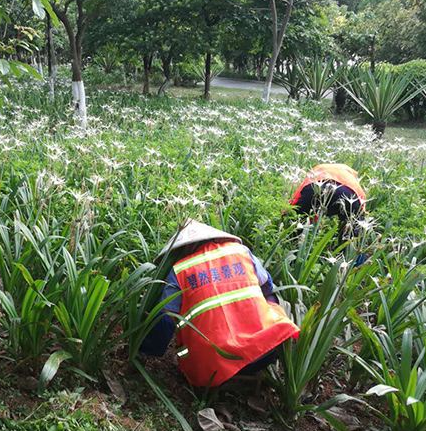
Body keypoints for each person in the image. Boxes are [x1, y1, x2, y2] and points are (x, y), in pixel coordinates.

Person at [140, 220, 299, 388]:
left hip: (212, 367)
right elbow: (268, 286)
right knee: (270, 301)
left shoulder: (180, 269)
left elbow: (166, 318)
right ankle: (273, 341)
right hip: (264, 351)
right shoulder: (241, 252)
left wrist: (147, 350)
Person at [290, 163, 367, 238]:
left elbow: (296, 199)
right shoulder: (352, 180)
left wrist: (287, 213)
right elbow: (361, 206)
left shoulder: (318, 168)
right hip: (348, 194)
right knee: (355, 227)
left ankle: (293, 241)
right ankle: (346, 247)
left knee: (298, 220)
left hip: (314, 188)